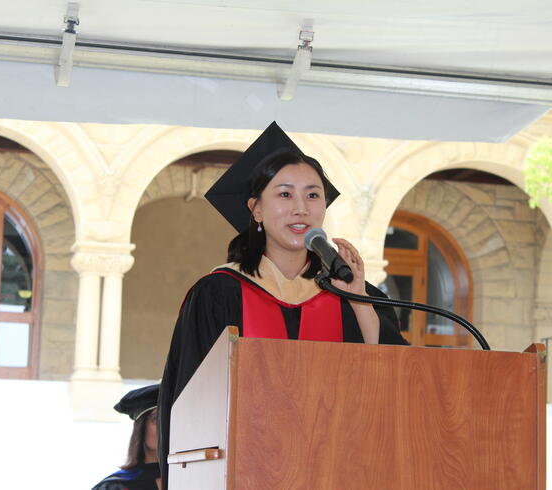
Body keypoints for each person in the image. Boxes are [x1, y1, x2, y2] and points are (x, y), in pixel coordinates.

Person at [157, 122, 408, 489]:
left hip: (339, 472)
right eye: (285, 195)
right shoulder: (219, 293)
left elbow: (394, 379)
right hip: (241, 473)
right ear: (256, 209)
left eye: (312, 195)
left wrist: (359, 301)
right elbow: (187, 397)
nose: (301, 208)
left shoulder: (351, 294)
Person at [92, 384, 162, 490]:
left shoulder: (190, 477)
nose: (166, 427)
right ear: (141, 427)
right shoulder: (115, 487)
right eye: (157, 418)